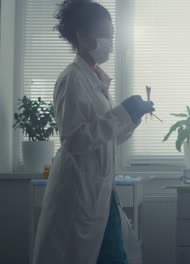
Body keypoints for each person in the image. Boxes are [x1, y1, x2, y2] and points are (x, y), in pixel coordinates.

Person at [32, 1, 154, 263]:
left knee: (114, 253)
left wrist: (132, 117)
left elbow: (109, 138)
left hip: (100, 191)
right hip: (79, 190)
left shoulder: (95, 78)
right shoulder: (71, 79)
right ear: (81, 36)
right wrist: (121, 113)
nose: (109, 42)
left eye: (111, 35)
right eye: (103, 35)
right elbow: (75, 140)